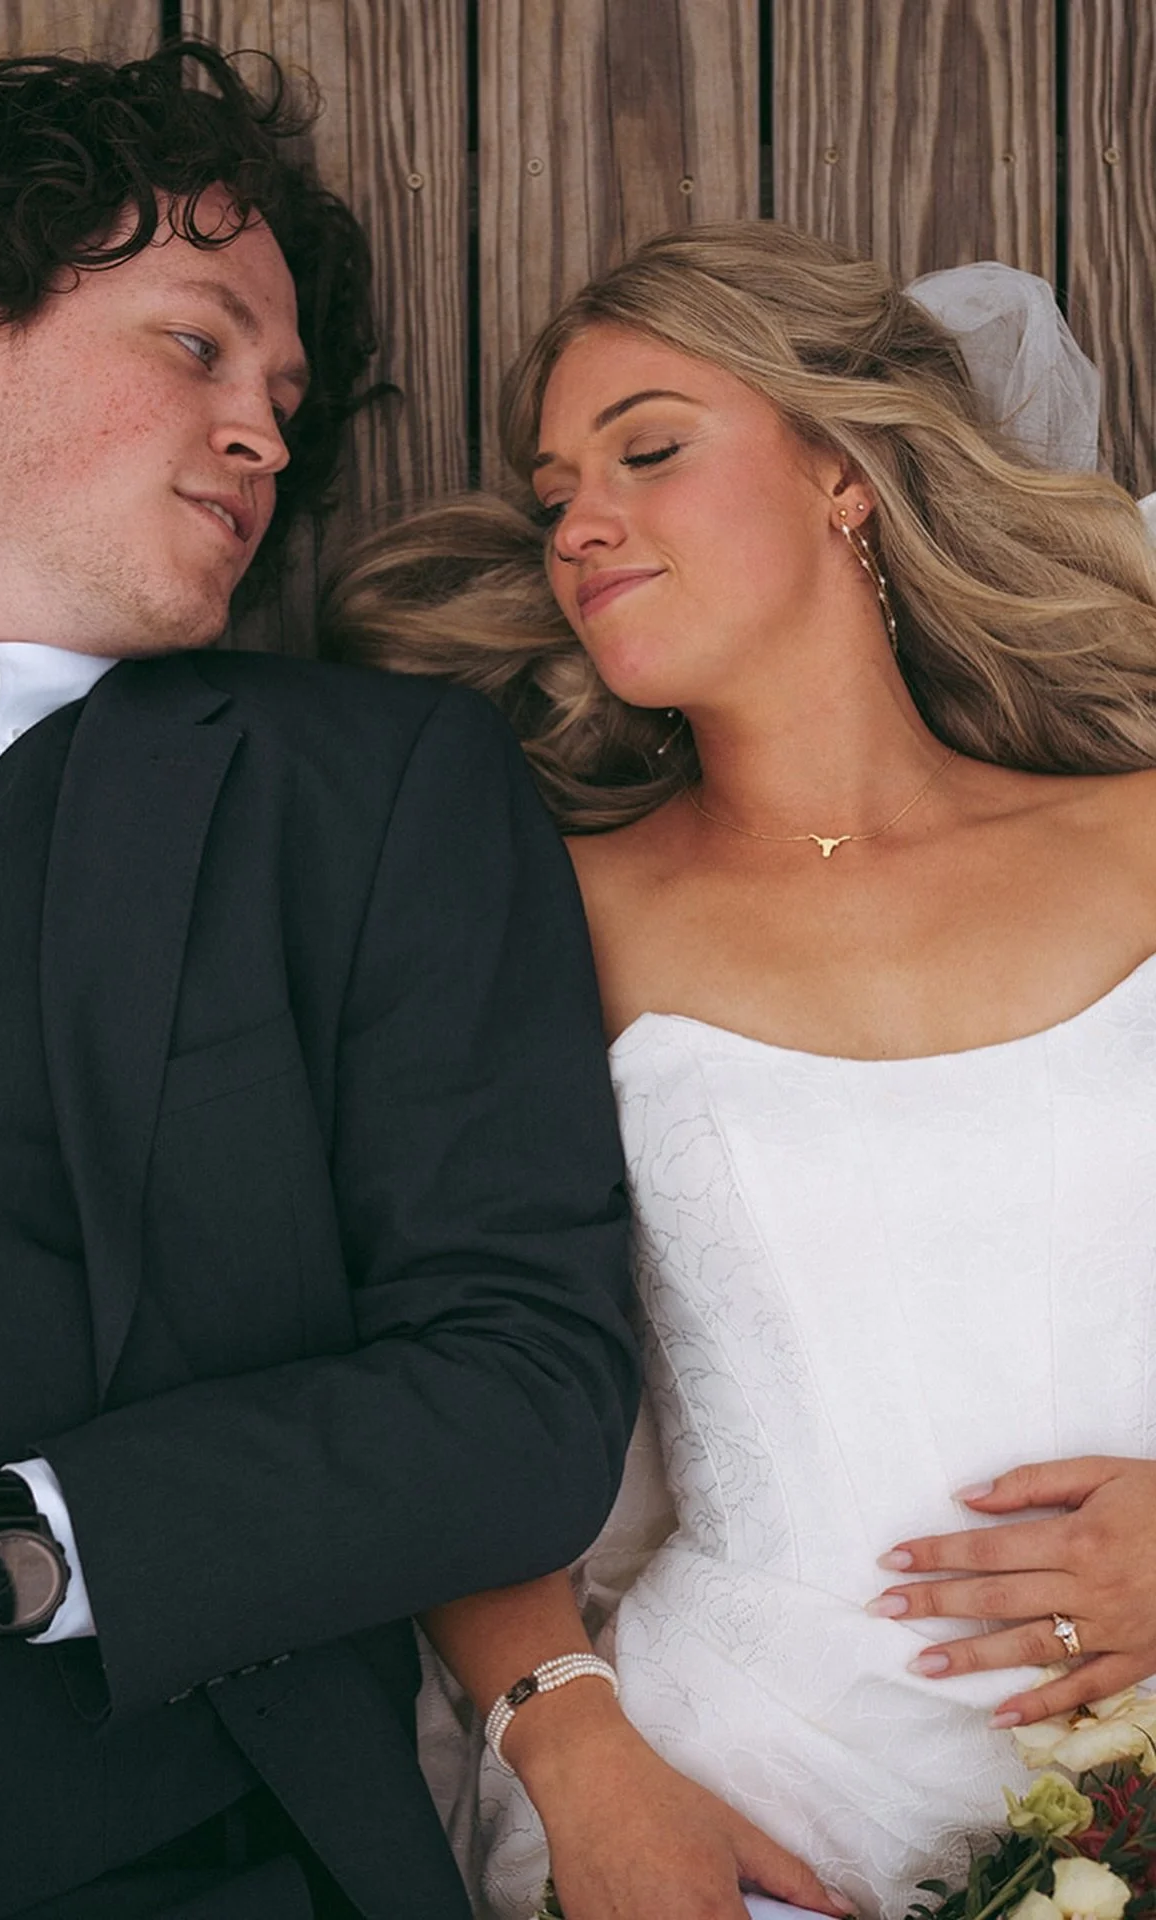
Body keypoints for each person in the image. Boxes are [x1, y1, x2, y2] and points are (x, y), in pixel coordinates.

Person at [0, 41, 639, 1920]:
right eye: (199, 345)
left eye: (289, 395)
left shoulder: (376, 797)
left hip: (163, 1863)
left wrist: (19, 1552)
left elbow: (528, 1388)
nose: (267, 435)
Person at [322, 220, 1156, 1919]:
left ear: (845, 471)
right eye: (555, 495)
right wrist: (581, 1752)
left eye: (650, 448)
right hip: (746, 1799)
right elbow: (437, 1380)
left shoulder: (1142, 842)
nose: (582, 526)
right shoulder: (547, 912)